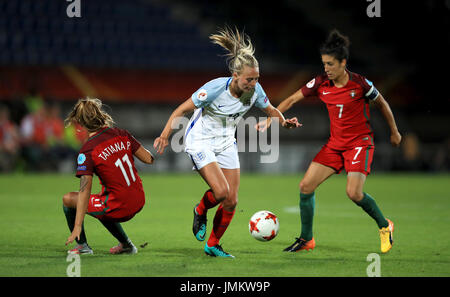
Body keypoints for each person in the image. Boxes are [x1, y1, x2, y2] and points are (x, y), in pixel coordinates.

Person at [153, 27, 300, 258]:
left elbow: (271, 110)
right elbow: (182, 108)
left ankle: (213, 245)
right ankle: (200, 209)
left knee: (231, 200)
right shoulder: (213, 89)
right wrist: (164, 134)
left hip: (225, 142)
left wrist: (283, 122)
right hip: (200, 141)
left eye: (256, 79)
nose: (253, 84)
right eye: (249, 80)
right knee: (221, 192)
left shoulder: (255, 91)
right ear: (235, 77)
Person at [256, 29, 402, 254]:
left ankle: (385, 226)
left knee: (354, 193)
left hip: (359, 143)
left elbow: (382, 103)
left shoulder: (360, 84)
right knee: (305, 187)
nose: (326, 69)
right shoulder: (320, 83)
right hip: (335, 145)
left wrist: (394, 131)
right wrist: (271, 119)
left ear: (344, 63)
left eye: (331, 64)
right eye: (324, 64)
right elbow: (293, 98)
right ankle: (307, 239)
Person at [64, 98, 154, 255]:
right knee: (101, 201)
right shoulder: (122, 134)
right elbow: (149, 159)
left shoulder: (88, 150)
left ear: (80, 122)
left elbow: (84, 191)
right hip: (139, 200)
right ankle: (126, 245)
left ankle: (82, 246)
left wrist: (77, 225)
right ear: (100, 115)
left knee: (68, 199)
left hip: (119, 206)